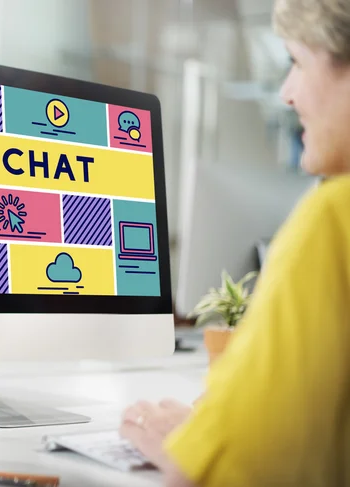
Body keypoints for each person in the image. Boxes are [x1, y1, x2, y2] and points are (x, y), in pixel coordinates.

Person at [119, 0, 350, 485]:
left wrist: (189, 443)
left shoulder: (333, 218)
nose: (286, 93)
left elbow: (239, 469)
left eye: (297, 62)